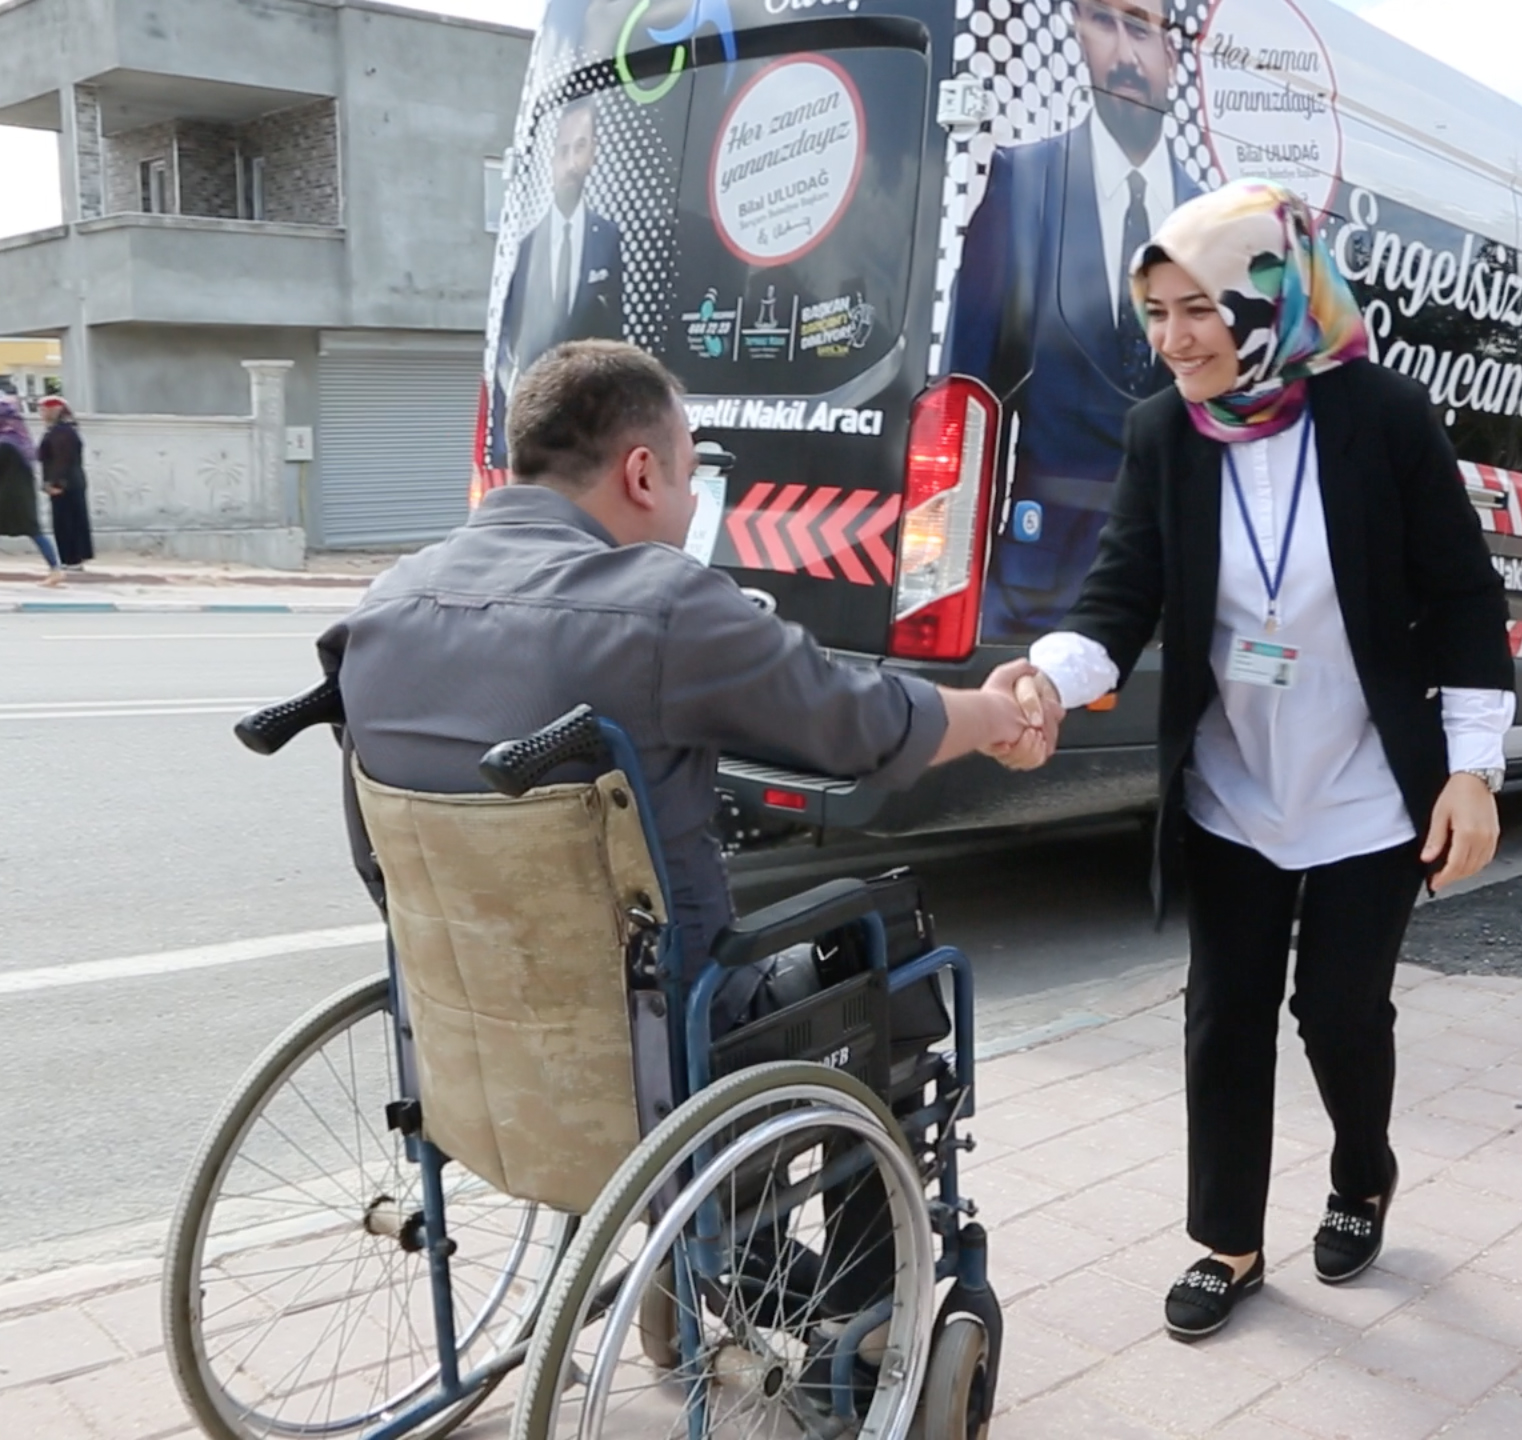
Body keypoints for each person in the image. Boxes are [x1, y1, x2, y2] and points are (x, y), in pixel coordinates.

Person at [991, 181, 1517, 1341]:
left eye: (1198, 309)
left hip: (1368, 784)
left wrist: (1470, 767)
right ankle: (1227, 1242)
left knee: (1338, 1012)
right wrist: (1048, 676)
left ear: (1267, 300)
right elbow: (1119, 596)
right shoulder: (1163, 433)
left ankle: (1361, 1171)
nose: (1174, 340)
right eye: (1156, 313)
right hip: (1234, 781)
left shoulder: (1381, 415)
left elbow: (1465, 595)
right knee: (1224, 1012)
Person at [324, 339, 1042, 1002]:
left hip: (467, 1026)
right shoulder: (662, 605)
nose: (695, 501)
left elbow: (372, 864)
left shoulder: (384, 603)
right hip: (664, 1035)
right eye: (690, 475)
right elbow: (863, 727)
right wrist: (995, 713)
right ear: (641, 474)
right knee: (894, 955)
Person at [944, 0, 1205, 640]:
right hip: (1034, 594)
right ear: (1077, 34)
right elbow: (963, 401)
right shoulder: (1023, 182)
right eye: (1101, 22)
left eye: (1140, 27)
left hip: (1182, 602)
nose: (1123, 54)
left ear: (1173, 51)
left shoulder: (1212, 219)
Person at [488, 93, 626, 469]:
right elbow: (505, 350)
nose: (569, 163)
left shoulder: (609, 239)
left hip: (593, 439)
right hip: (542, 445)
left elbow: (618, 341)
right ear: (549, 159)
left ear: (593, 153)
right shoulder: (524, 248)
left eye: (579, 148)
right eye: (562, 150)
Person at [0, 396, 64, 587]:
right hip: (24, 493)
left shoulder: (3, 443)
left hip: (5, 494)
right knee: (34, 531)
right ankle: (55, 570)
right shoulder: (20, 440)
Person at [36, 397, 95, 572]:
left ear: (54, 410)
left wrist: (56, 483)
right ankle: (71, 559)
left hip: (66, 484)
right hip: (71, 482)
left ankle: (71, 559)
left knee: (66, 521)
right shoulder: (64, 430)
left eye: (44, 410)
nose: (41, 414)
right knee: (68, 520)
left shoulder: (62, 432)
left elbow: (62, 460)